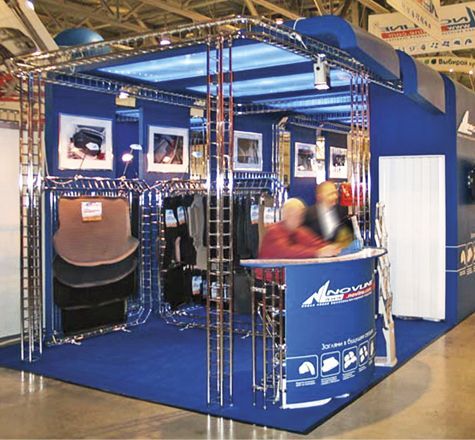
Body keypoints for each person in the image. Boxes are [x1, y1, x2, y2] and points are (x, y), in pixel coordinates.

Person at [259, 198, 341, 260]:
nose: (298, 219)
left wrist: (332, 248)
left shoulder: (299, 231)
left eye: (300, 215)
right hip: (270, 276)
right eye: (295, 215)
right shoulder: (274, 232)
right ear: (285, 214)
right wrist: (317, 252)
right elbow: (286, 251)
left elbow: (315, 243)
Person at [304, 180, 354, 247]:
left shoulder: (344, 211)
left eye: (335, 193)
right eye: (330, 194)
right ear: (319, 197)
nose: (335, 196)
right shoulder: (308, 214)